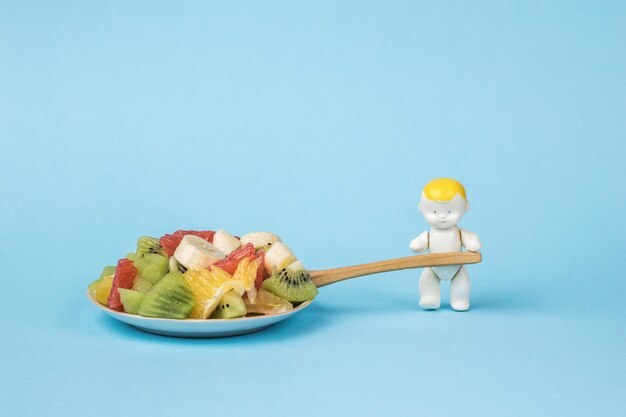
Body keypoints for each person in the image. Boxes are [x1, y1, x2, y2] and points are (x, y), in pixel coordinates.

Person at [409, 178, 481, 311]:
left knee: (461, 283)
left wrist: (471, 243)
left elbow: (471, 240)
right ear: (421, 207)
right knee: (427, 280)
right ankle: (429, 298)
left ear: (466, 207)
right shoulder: (430, 234)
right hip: (433, 266)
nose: (442, 216)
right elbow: (420, 244)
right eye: (434, 212)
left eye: (449, 212)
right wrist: (418, 244)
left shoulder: (459, 233)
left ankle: (459, 300)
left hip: (457, 267)